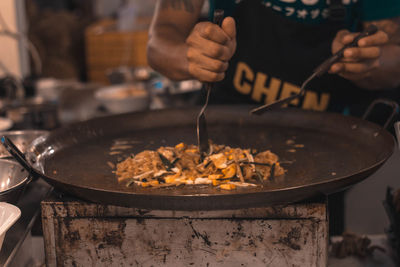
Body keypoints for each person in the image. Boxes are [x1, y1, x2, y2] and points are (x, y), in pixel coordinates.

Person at [147, 0, 400, 116]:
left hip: (329, 138)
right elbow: (159, 43)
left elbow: (394, 62)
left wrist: (367, 63)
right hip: (226, 121)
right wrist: (189, 58)